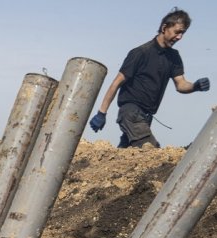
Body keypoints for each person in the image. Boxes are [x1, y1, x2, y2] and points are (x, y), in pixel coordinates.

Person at [89, 7, 210, 148]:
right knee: (152, 151)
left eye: (183, 33)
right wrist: (101, 113)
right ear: (165, 28)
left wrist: (195, 86)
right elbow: (117, 83)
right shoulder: (140, 53)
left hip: (146, 117)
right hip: (130, 112)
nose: (179, 37)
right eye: (177, 32)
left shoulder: (174, 57)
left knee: (127, 157)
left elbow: (181, 84)